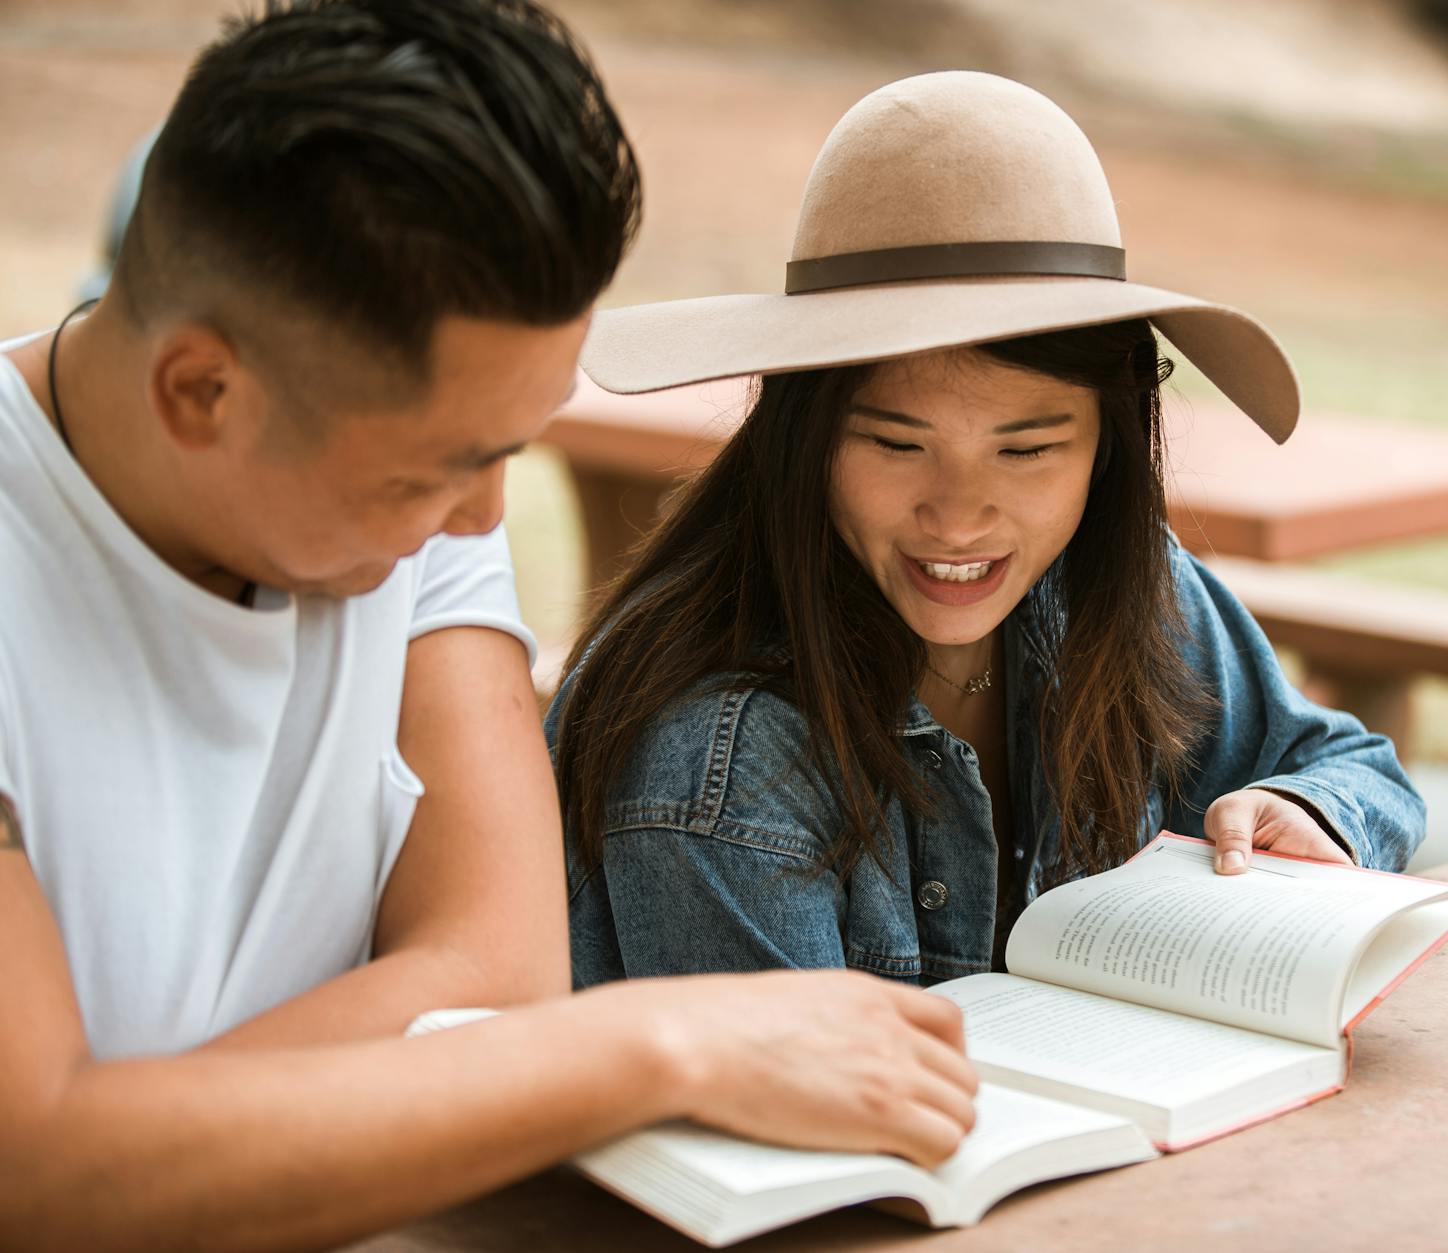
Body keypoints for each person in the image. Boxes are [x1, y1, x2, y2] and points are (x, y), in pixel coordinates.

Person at [0, 5, 976, 1247]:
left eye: (510, 449)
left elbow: (498, 983)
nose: (482, 514)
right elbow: (34, 1175)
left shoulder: (408, 525)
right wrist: (646, 1042)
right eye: (436, 467)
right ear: (203, 388)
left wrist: (141, 1138)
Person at [548, 71, 1427, 990]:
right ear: (804, 438)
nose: (959, 515)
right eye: (896, 442)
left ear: (1109, 445)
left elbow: (1350, 764)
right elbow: (795, 1111)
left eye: (1028, 450)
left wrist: (1305, 809)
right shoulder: (719, 752)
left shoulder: (1117, 586)